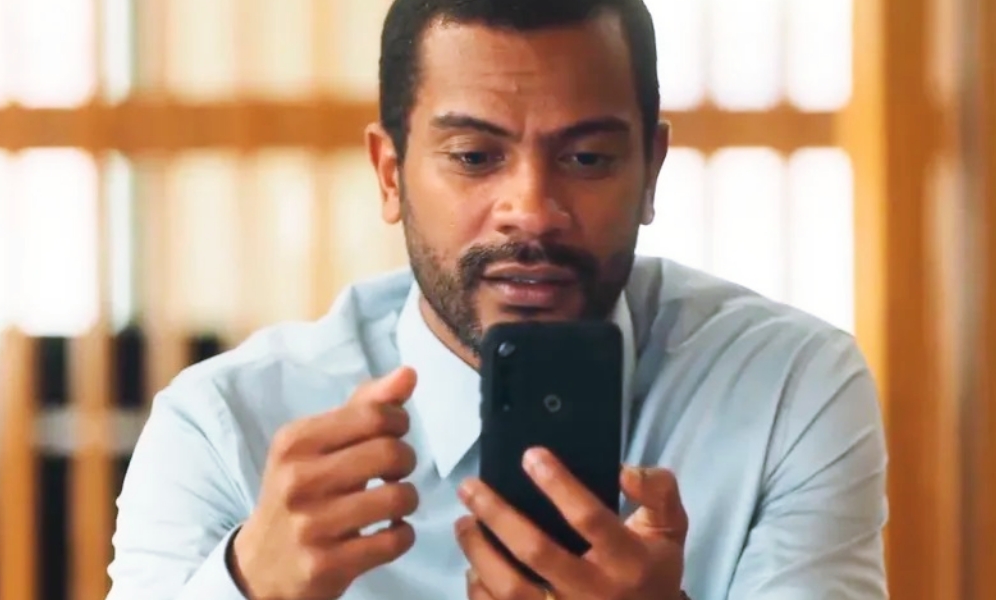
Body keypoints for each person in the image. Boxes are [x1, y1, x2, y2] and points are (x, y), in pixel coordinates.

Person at [106, 0, 889, 598]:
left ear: (651, 171)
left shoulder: (789, 388)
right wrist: (249, 584)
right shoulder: (223, 426)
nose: (533, 211)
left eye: (586, 157)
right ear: (389, 173)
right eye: (476, 156)